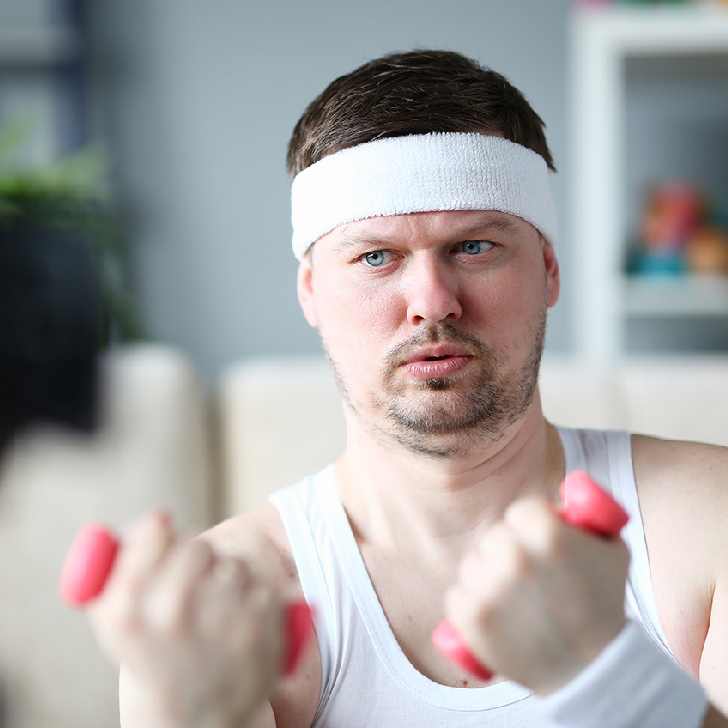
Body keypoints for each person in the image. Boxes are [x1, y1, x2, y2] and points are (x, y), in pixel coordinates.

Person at [92, 49, 728, 727]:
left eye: (475, 246)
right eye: (375, 256)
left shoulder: (707, 524)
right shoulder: (235, 608)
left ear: (547, 269)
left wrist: (611, 679)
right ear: (311, 291)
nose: (432, 301)